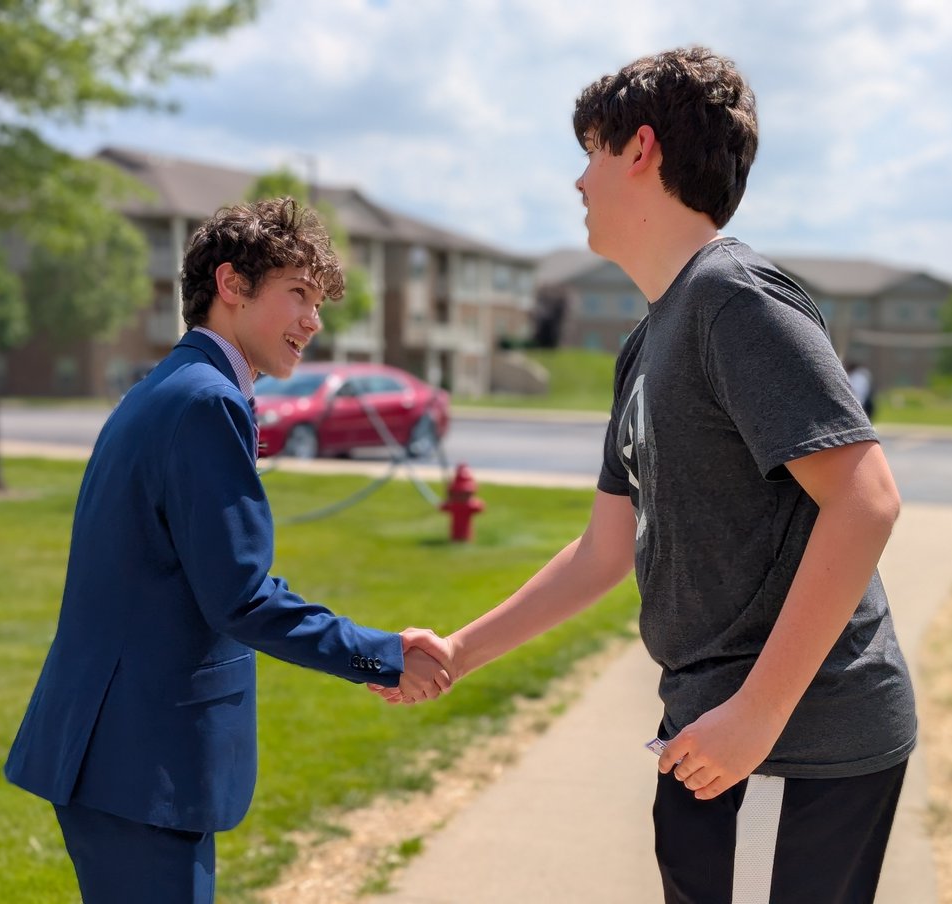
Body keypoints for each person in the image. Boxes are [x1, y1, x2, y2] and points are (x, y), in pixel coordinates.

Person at [376, 47, 916, 903]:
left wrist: (758, 715)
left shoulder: (735, 298)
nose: (579, 183)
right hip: (711, 735)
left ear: (641, 149)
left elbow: (866, 497)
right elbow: (603, 551)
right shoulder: (650, 339)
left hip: (794, 744)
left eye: (590, 151)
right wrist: (458, 653)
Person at [4, 198, 453, 904]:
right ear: (232, 286)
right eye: (298, 294)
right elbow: (240, 596)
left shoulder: (164, 388)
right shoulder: (204, 402)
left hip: (116, 755)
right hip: (139, 767)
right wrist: (383, 654)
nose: (314, 321)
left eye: (319, 300)